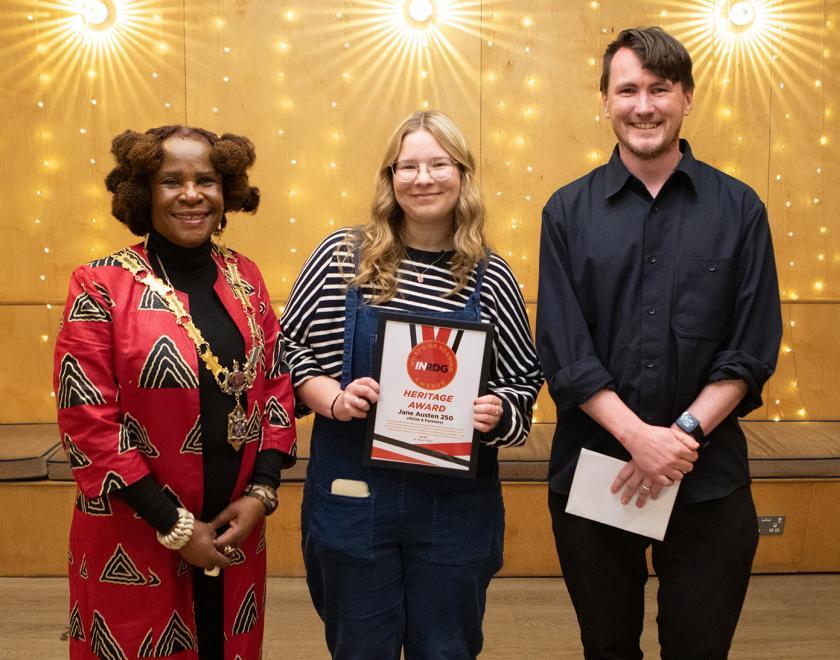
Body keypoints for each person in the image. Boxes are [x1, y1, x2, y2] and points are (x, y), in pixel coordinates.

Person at [536, 27, 782, 659]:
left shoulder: (740, 209)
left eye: (660, 89)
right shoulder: (565, 212)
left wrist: (679, 436)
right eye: (627, 90)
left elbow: (751, 347)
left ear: (687, 98)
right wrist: (639, 440)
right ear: (605, 101)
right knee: (608, 648)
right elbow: (565, 350)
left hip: (706, 479)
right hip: (597, 474)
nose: (643, 106)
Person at [281, 109, 543, 659]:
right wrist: (334, 399)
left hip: (455, 509)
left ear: (463, 174)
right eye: (409, 166)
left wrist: (498, 411)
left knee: (447, 650)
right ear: (391, 177)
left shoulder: (492, 276)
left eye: (439, 165)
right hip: (354, 495)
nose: (424, 179)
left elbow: (522, 381)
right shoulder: (342, 259)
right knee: (360, 649)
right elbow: (286, 351)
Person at [53, 125, 297, 658]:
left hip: (235, 529)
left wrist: (261, 493)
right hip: (136, 532)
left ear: (226, 190)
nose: (192, 194)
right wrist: (177, 527)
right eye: (171, 181)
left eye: (206, 180)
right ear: (143, 192)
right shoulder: (99, 284)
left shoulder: (245, 276)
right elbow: (88, 421)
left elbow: (276, 386)